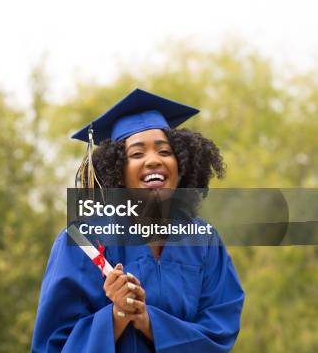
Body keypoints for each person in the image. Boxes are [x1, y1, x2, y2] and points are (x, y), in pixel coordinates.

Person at [31, 89, 245, 352]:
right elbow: (54, 343)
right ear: (117, 171)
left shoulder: (203, 240)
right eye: (137, 154)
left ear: (182, 166)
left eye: (165, 151)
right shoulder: (83, 241)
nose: (154, 160)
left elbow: (220, 331)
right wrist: (116, 316)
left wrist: (147, 321)